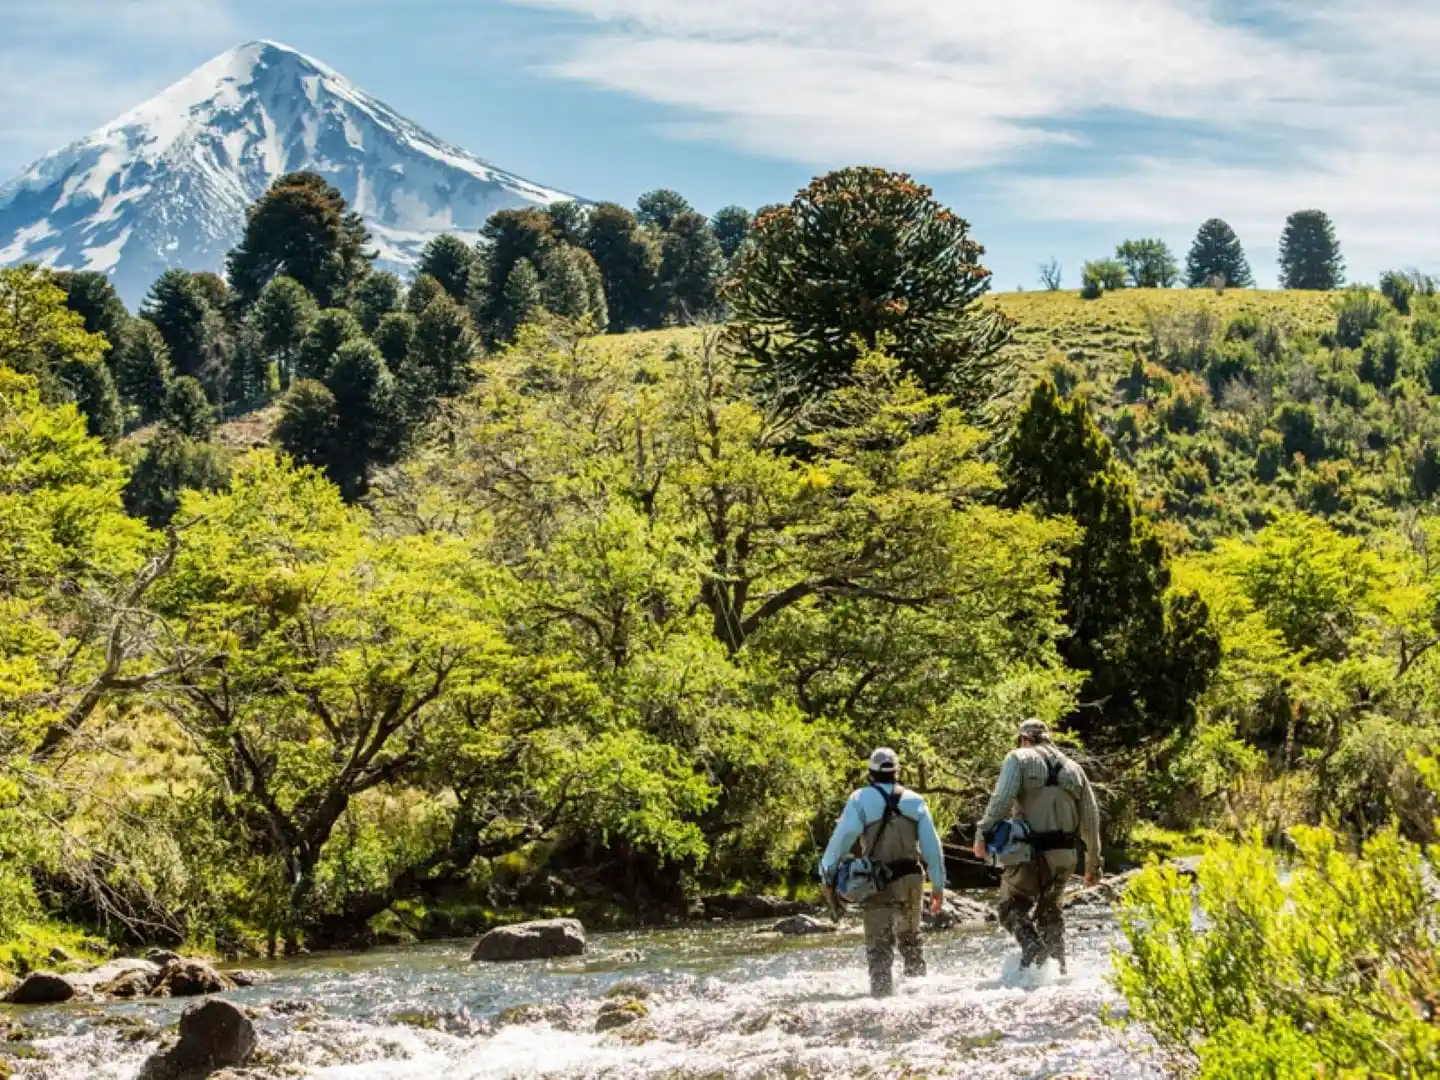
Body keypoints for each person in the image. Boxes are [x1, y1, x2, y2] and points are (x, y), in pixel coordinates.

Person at [972, 719, 1102, 973]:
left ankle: (1034, 951)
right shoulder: (1075, 769)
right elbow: (1091, 819)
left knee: (1011, 908)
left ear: (1024, 738)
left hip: (1028, 855)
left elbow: (1001, 800)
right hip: (1065, 856)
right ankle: (1058, 972)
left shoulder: (1018, 758)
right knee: (1050, 913)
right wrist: (1093, 864)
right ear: (1048, 738)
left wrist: (982, 834)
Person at [819, 747, 946, 997]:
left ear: (870, 774)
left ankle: (881, 1002)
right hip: (912, 880)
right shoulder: (915, 800)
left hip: (877, 882)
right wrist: (939, 886)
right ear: (897, 773)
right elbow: (933, 848)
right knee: (911, 942)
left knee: (879, 950)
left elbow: (842, 839)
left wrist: (826, 874)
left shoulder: (860, 799)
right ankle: (920, 997)